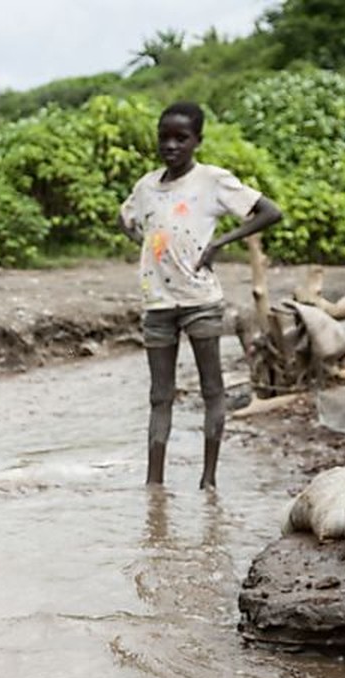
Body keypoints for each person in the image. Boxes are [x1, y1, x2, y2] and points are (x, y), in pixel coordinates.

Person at [120, 102, 281, 489]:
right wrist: (146, 245)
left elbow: (269, 211)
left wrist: (219, 243)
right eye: (164, 138)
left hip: (201, 301)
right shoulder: (146, 186)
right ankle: (153, 485)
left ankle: (208, 481)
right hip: (158, 303)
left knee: (213, 390)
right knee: (160, 396)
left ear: (197, 141)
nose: (171, 146)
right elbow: (126, 218)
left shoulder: (212, 180)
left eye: (181, 138)